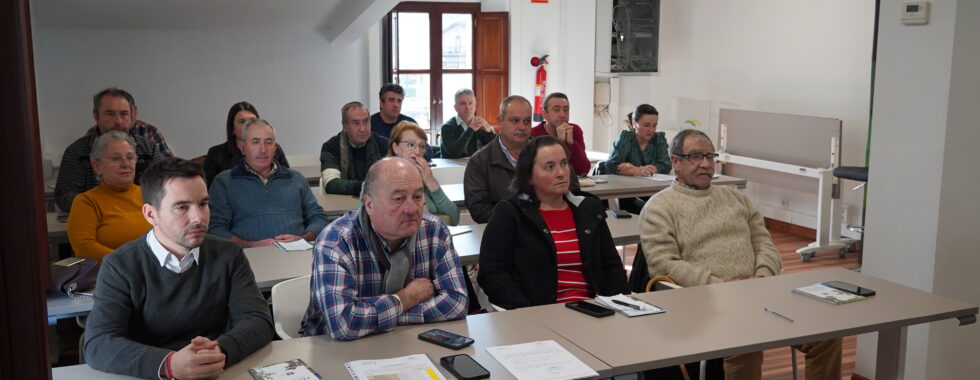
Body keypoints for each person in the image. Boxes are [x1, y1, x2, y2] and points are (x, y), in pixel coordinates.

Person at [640, 129, 842, 380]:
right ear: (675, 161)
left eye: (709, 156)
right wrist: (722, 288)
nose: (705, 164)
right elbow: (664, 265)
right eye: (695, 156)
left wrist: (762, 278)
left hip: (760, 294)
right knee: (746, 342)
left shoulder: (737, 199)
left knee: (827, 334)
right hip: (709, 303)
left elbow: (765, 245)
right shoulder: (659, 207)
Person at [84, 157, 273, 379]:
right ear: (151, 214)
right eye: (182, 207)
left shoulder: (229, 254)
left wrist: (220, 350)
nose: (198, 217)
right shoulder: (120, 265)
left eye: (203, 204)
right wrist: (169, 364)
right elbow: (99, 342)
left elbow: (258, 319)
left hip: (217, 370)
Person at [300, 157, 468, 341]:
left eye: (418, 197)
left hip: (407, 342)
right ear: (369, 204)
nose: (412, 209)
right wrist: (406, 298)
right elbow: (344, 324)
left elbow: (456, 302)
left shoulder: (434, 230)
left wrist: (386, 317)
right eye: (398, 199)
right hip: (332, 348)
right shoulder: (336, 241)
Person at [478, 136, 628, 309]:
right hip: (539, 312)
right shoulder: (510, 212)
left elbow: (611, 266)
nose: (561, 173)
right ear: (529, 177)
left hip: (594, 309)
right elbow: (492, 273)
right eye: (550, 167)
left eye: (564, 163)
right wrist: (527, 312)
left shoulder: (589, 208)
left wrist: (619, 308)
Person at [209, 119, 327, 248]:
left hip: (296, 252)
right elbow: (215, 228)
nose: (263, 150)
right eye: (255, 142)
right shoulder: (224, 182)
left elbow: (318, 217)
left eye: (268, 142)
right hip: (249, 255)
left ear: (275, 147)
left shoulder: (296, 178)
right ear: (243, 148)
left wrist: (303, 239)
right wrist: (250, 245)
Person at [55, 87, 167, 212]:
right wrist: (107, 206)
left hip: (141, 217)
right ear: (96, 116)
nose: (118, 121)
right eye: (110, 114)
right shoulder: (77, 151)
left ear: (132, 115)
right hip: (96, 217)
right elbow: (64, 196)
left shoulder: (150, 149)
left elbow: (163, 190)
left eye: (124, 114)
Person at [67, 132, 151, 262]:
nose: (125, 164)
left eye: (130, 157)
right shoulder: (87, 201)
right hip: (114, 271)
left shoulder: (150, 194)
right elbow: (84, 247)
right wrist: (130, 262)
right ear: (97, 166)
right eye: (116, 159)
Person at [463, 95, 533, 224]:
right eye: (515, 120)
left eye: (527, 121)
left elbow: (566, 192)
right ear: (500, 121)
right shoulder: (479, 161)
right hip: (506, 230)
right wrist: (522, 217)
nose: (522, 127)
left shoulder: (544, 153)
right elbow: (479, 211)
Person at [388, 121, 460, 225]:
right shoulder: (381, 178)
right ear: (395, 148)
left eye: (422, 146)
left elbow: (454, 218)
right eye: (410, 144)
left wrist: (431, 182)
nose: (417, 151)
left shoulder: (424, 176)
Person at [603, 104, 672, 214]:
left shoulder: (659, 138)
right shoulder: (626, 137)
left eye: (654, 125)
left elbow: (666, 164)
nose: (651, 130)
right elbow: (611, 166)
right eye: (647, 125)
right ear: (634, 123)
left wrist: (641, 169)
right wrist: (638, 170)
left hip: (652, 191)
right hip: (627, 193)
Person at [203, 101, 290, 187]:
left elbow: (289, 182)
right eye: (242, 121)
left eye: (253, 121)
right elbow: (209, 189)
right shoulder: (216, 153)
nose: (248, 125)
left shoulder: (275, 150)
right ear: (232, 128)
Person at [320, 101, 390, 195]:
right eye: (356, 123)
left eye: (366, 121)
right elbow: (331, 183)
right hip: (343, 202)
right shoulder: (331, 147)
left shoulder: (384, 144)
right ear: (345, 126)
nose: (363, 129)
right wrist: (366, 187)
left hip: (378, 200)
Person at [531, 92, 591, 176]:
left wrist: (571, 144)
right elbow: (543, 170)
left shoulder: (574, 130)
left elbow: (583, 170)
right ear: (545, 114)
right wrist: (560, 143)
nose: (562, 115)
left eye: (566, 110)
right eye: (556, 110)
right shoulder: (533, 134)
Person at [439, 88, 495, 158]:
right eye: (463, 104)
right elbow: (454, 153)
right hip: (452, 165)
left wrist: (490, 132)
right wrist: (470, 129)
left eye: (470, 103)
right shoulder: (447, 127)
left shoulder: (481, 124)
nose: (467, 107)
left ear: (475, 106)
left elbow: (495, 151)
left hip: (476, 164)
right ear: (455, 108)